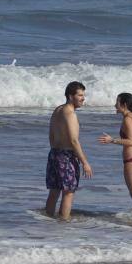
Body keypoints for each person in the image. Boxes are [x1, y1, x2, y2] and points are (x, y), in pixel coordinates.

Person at [45, 81, 93, 221]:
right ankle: (63, 224)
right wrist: (85, 162)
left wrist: (56, 152)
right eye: (80, 95)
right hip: (66, 156)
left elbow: (51, 135)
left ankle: (48, 222)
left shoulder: (58, 110)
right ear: (70, 96)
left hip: (54, 153)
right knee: (68, 192)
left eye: (83, 95)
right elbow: (74, 140)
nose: (83, 98)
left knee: (54, 191)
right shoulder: (70, 113)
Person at [97, 92, 132, 215]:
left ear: (124, 105)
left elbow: (130, 142)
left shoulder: (127, 119)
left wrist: (112, 140)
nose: (115, 105)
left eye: (117, 102)